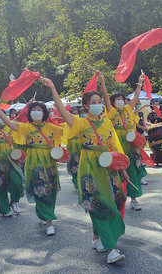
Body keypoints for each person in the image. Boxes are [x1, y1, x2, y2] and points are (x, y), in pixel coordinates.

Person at [44, 77, 128, 263]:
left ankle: (96, 238)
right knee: (102, 207)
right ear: (85, 106)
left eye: (100, 102)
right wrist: (52, 88)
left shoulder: (107, 123)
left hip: (109, 169)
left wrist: (122, 169)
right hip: (90, 170)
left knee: (112, 204)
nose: (98, 105)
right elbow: (61, 110)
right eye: (93, 103)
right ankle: (110, 250)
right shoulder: (80, 123)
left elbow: (115, 146)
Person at [0, 98, 63, 236]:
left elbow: (69, 130)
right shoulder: (25, 127)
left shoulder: (51, 127)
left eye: (39, 110)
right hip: (34, 163)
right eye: (34, 110)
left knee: (51, 191)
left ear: (44, 113)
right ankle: (49, 222)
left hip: (50, 163)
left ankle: (45, 213)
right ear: (29, 113)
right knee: (41, 189)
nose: (36, 112)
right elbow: (10, 124)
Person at [101, 71, 148, 211]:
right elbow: (105, 96)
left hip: (130, 145)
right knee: (117, 172)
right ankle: (117, 199)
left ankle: (134, 200)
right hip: (117, 145)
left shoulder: (128, 109)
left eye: (122, 98)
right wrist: (102, 80)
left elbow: (136, 96)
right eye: (117, 99)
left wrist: (140, 82)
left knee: (133, 171)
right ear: (113, 102)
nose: (120, 101)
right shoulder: (111, 112)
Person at [66, 107, 82, 191]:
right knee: (73, 165)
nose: (75, 115)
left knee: (81, 166)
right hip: (72, 146)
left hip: (81, 146)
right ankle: (76, 183)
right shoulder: (68, 123)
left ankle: (80, 183)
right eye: (73, 114)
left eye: (77, 113)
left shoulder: (82, 122)